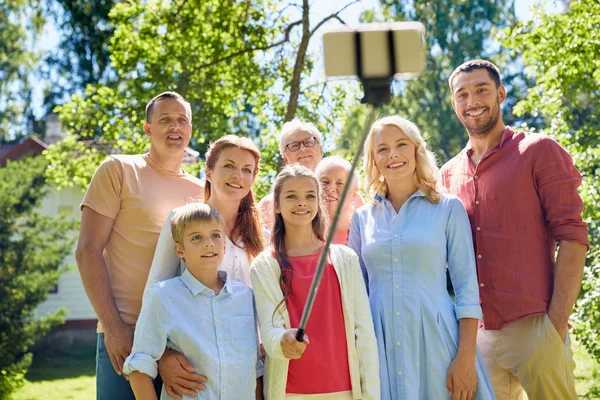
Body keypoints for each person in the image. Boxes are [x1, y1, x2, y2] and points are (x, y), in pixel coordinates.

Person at [442, 59, 590, 400]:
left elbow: (572, 236)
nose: (472, 100)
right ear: (454, 104)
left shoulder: (539, 151)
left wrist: (554, 324)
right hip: (478, 335)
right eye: (462, 94)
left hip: (536, 325)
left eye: (481, 89)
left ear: (501, 93)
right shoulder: (447, 174)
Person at [349, 116, 495, 400]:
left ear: (416, 150)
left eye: (401, 144)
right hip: (379, 348)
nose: (393, 154)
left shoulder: (447, 207)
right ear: (373, 160)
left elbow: (466, 286)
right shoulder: (361, 218)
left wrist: (465, 357)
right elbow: (357, 292)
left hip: (438, 342)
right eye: (382, 149)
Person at [75, 91, 204, 399]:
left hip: (184, 341)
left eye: (182, 120)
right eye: (165, 120)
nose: (175, 127)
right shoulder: (118, 169)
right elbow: (87, 251)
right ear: (148, 128)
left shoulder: (202, 190)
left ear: (190, 129)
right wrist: (113, 327)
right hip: (125, 335)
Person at [146, 134, 265, 398]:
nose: (238, 175)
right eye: (229, 166)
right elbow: (157, 290)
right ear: (208, 171)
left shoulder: (260, 234)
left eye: (247, 170)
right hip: (194, 365)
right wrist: (162, 355)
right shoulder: (181, 221)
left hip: (246, 367)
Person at [250, 164, 380, 400]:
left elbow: (364, 333)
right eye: (291, 196)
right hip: (289, 393)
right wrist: (282, 341)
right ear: (276, 205)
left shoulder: (345, 258)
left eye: (310, 196)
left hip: (346, 391)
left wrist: (371, 394)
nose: (302, 202)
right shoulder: (264, 265)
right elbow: (268, 331)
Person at [124, 203, 263, 400]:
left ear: (224, 244)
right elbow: (139, 365)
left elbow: (255, 370)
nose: (209, 243)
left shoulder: (246, 297)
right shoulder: (164, 296)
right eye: (196, 237)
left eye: (215, 235)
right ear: (179, 250)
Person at [258, 120, 324, 234]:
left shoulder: (344, 195)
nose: (303, 149)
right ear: (285, 158)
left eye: (308, 142)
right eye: (294, 146)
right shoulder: (268, 205)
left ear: (321, 150)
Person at [315, 155, 362, 245]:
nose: (331, 188)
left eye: (340, 183)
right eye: (324, 182)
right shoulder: (305, 230)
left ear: (354, 192)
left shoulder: (363, 231)